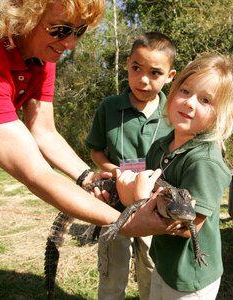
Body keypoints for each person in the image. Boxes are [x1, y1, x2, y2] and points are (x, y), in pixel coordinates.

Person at [0, 1, 177, 299]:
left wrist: (86, 176)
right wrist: (126, 222)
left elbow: (43, 131)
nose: (70, 43)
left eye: (78, 31)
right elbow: (35, 173)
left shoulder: (41, 55)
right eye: (61, 30)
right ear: (20, 15)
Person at [117, 53, 233, 299]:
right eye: (185, 91)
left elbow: (188, 226)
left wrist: (137, 201)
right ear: (172, 91)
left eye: (206, 100)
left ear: (220, 114)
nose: (190, 103)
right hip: (164, 262)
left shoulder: (204, 162)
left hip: (191, 276)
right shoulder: (159, 147)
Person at [86, 32, 177, 299]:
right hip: (115, 204)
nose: (143, 79)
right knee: (113, 268)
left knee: (151, 265)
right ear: (127, 64)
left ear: (170, 76)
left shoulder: (174, 113)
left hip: (156, 206)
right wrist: (115, 172)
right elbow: (96, 150)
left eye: (155, 73)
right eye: (136, 68)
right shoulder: (110, 107)